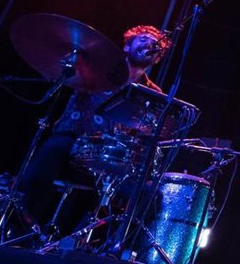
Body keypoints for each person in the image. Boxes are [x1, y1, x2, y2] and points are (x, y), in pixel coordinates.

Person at [15, 25, 171, 237]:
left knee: (146, 193)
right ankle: (23, 231)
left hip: (110, 154)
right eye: (143, 39)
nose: (150, 44)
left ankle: (89, 243)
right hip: (73, 136)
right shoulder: (99, 70)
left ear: (157, 58)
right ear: (127, 47)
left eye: (155, 45)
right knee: (45, 161)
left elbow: (149, 132)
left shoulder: (153, 93)